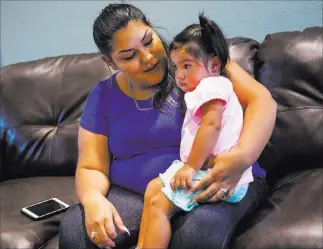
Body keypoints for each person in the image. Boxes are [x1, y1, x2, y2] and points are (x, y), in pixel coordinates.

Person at [59, 3, 277, 249]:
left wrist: (242, 158)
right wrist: (92, 199)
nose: (148, 58)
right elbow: (91, 166)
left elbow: (263, 101)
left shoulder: (194, 61)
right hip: (139, 195)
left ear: (152, 26)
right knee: (77, 230)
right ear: (110, 62)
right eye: (129, 56)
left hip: (216, 179)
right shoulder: (104, 95)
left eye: (148, 41)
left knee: (195, 234)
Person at [137, 13, 255, 249]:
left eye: (187, 66)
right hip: (202, 168)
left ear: (214, 66)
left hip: (217, 176)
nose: (179, 75)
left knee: (159, 204)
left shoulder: (212, 86)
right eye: (177, 67)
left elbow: (212, 126)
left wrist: (190, 167)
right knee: (152, 189)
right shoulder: (206, 87)